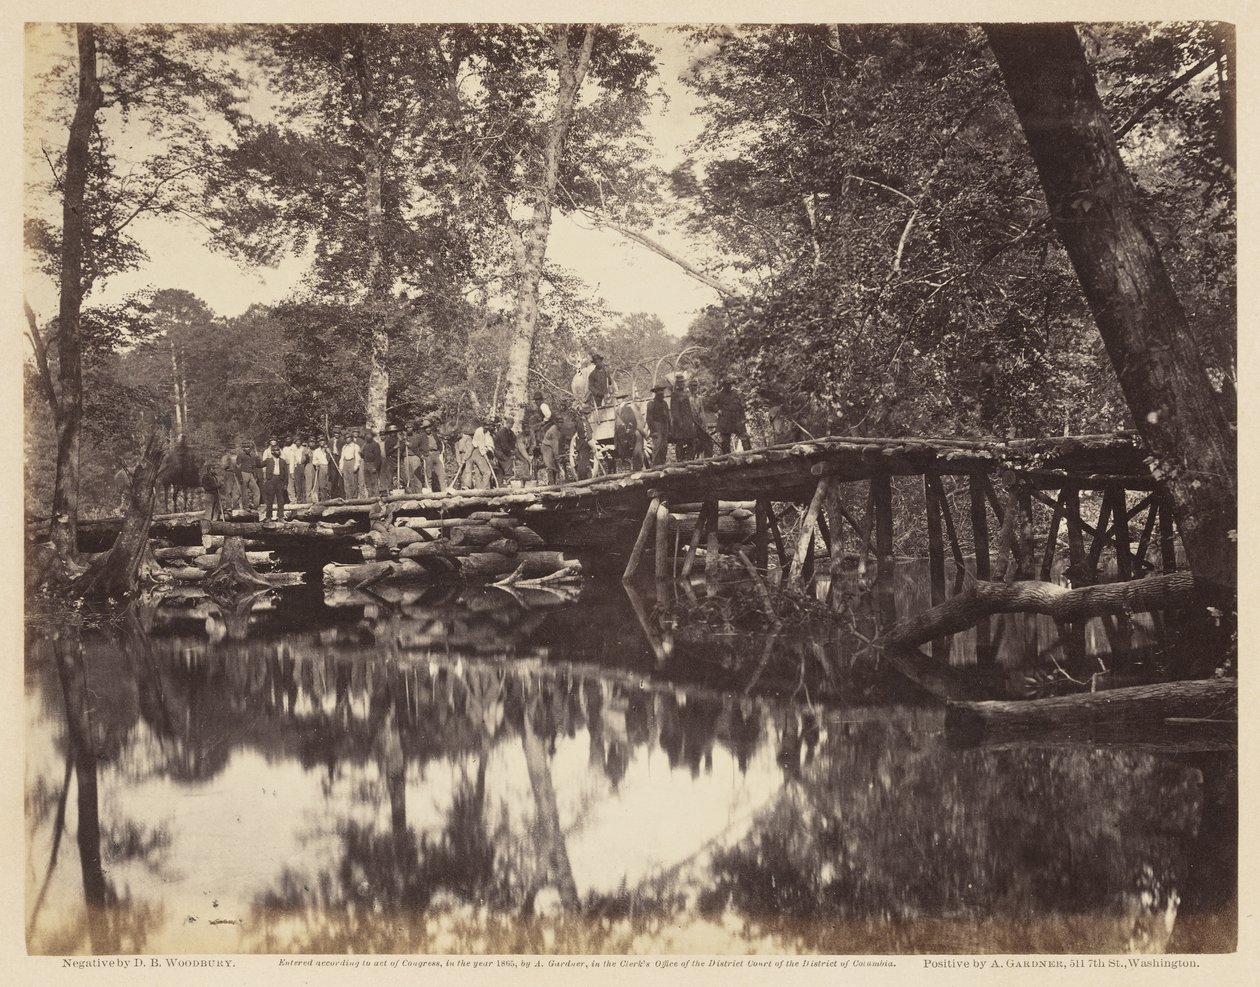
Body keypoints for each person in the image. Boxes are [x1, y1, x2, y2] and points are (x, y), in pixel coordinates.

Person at [714, 379, 750, 454]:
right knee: (725, 442)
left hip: (737, 419)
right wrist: (717, 410)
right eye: (726, 385)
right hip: (725, 420)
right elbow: (710, 404)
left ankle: (749, 455)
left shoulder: (736, 394)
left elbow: (741, 407)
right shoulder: (719, 395)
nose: (728, 386)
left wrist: (743, 418)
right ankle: (726, 458)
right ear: (723, 386)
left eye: (730, 384)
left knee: (745, 438)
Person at [670, 374, 697, 462]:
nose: (682, 384)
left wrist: (692, 421)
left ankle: (690, 459)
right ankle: (680, 460)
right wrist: (679, 423)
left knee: (691, 441)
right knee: (680, 442)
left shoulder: (686, 394)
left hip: (688, 422)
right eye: (680, 382)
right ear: (677, 383)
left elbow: (690, 409)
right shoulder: (674, 394)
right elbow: (674, 411)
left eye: (683, 382)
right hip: (680, 424)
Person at [260, 439, 289, 521]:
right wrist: (256, 458)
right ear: (272, 452)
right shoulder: (268, 460)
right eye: (276, 450)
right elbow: (259, 465)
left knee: (281, 500)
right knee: (270, 500)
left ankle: (280, 517)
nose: (278, 452)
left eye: (278, 450)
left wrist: (285, 484)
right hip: (271, 480)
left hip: (280, 481)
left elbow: (286, 474)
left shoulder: (283, 461)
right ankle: (268, 517)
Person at [646, 384, 671, 467]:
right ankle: (656, 466)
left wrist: (669, 429)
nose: (661, 393)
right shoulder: (651, 404)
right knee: (657, 447)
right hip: (657, 426)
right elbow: (649, 418)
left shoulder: (665, 403)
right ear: (655, 392)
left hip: (665, 427)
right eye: (659, 391)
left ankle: (662, 465)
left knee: (664, 447)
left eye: (662, 391)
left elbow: (668, 416)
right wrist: (653, 431)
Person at [689, 378, 714, 458]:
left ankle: (709, 459)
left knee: (708, 440)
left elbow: (702, 412)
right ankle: (691, 458)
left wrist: (704, 425)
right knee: (693, 442)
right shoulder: (687, 399)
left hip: (699, 423)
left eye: (696, 386)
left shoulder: (699, 398)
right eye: (693, 386)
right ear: (690, 387)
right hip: (691, 424)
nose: (695, 387)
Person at [235, 440, 261, 512]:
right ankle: (246, 507)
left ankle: (256, 506)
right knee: (244, 492)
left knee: (257, 491)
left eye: (248, 447)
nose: (247, 448)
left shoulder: (252, 455)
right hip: (243, 473)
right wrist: (240, 477)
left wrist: (255, 475)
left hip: (251, 474)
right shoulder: (240, 455)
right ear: (243, 448)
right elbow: (238, 467)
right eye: (246, 447)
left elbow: (256, 465)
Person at [420, 420, 445, 492]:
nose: (428, 429)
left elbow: (440, 443)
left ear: (431, 427)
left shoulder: (435, 435)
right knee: (428, 474)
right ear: (424, 429)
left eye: (428, 427)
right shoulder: (421, 436)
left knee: (441, 473)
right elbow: (415, 446)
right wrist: (421, 455)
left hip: (436, 454)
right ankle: (429, 491)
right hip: (428, 455)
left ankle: (444, 490)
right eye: (426, 428)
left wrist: (440, 451)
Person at [493, 418, 519, 485]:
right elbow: (504, 445)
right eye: (510, 423)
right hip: (499, 452)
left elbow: (514, 440)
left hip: (504, 452)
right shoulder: (502, 432)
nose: (511, 425)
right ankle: (508, 480)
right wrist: (511, 452)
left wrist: (514, 449)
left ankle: (499, 484)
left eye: (512, 424)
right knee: (508, 462)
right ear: (507, 423)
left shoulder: (510, 432)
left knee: (500, 469)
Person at [572, 401, 594, 480]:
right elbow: (589, 437)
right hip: (584, 445)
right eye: (589, 414)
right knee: (584, 462)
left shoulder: (579, 421)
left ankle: (582, 478)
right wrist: (594, 448)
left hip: (580, 444)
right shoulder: (585, 423)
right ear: (587, 414)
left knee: (581, 462)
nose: (590, 415)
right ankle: (584, 479)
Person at [470, 421, 495, 488]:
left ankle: (478, 488)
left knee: (478, 473)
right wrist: (485, 456)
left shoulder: (486, 432)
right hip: (479, 452)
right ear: (483, 425)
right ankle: (484, 488)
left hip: (480, 452)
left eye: (489, 426)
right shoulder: (480, 431)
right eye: (486, 426)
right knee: (487, 472)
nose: (488, 427)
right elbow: (481, 446)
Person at [540, 408, 561, 485]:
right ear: (556, 423)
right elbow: (555, 445)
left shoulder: (557, 429)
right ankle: (551, 482)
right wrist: (557, 457)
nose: (560, 424)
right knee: (550, 465)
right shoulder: (554, 430)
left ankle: (555, 481)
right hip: (546, 447)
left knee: (554, 465)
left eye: (562, 422)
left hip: (550, 446)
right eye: (559, 422)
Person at [361, 427, 383, 497]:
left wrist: (375, 467)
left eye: (369, 435)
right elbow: (362, 455)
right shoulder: (365, 445)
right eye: (366, 435)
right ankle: (370, 496)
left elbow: (378, 457)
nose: (368, 436)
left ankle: (376, 497)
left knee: (374, 482)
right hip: (366, 464)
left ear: (372, 436)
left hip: (372, 464)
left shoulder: (375, 444)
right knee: (367, 482)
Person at [199, 455, 222, 521]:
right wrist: (217, 485)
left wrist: (219, 484)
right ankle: (207, 523)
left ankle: (215, 523)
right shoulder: (205, 477)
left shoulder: (215, 477)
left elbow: (220, 484)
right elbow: (207, 487)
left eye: (214, 468)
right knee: (209, 511)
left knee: (216, 511)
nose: (214, 470)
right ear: (209, 469)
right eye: (212, 469)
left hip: (216, 495)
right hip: (209, 495)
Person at [339, 430, 362, 499]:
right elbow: (342, 457)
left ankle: (354, 497)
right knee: (346, 481)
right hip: (345, 463)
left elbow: (358, 457)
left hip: (352, 462)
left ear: (351, 438)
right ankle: (348, 497)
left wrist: (356, 466)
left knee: (353, 481)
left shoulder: (355, 446)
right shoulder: (344, 447)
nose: (347, 439)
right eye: (346, 438)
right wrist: (341, 467)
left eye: (349, 438)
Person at [404, 424, 425, 493]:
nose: (408, 429)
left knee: (416, 476)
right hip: (406, 457)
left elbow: (415, 445)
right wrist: (402, 441)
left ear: (413, 428)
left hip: (414, 457)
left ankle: (419, 493)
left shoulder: (417, 436)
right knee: (408, 476)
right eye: (407, 428)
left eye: (410, 427)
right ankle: (411, 493)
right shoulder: (404, 437)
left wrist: (408, 443)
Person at [219, 445, 240, 511]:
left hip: (236, 474)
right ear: (229, 450)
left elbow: (240, 466)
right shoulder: (225, 457)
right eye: (231, 448)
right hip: (229, 474)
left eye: (234, 448)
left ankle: (235, 505)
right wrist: (228, 462)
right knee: (228, 491)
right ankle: (228, 506)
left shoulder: (237, 456)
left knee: (236, 491)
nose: (233, 450)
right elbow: (223, 466)